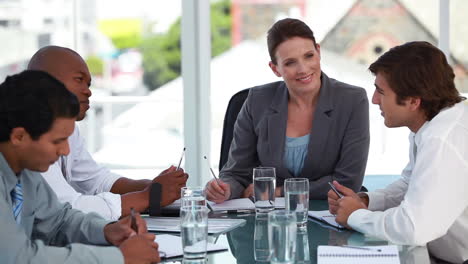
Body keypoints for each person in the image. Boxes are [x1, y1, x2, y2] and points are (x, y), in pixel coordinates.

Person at [328, 41, 468, 263]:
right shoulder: (432, 123)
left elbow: (413, 228)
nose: (374, 100)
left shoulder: (442, 139)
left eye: (381, 92)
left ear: (413, 101)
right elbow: (410, 184)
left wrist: (355, 216)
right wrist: (366, 201)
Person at [0, 70, 160, 263]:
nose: (66, 151)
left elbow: (57, 221)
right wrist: (118, 258)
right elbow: (16, 258)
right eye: (57, 141)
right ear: (19, 137)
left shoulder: (24, 172)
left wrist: (106, 230)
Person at [205, 18, 370, 203]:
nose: (303, 69)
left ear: (318, 51)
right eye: (290, 62)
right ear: (275, 68)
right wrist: (225, 188)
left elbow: (348, 182)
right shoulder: (257, 101)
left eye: (309, 56)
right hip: (267, 218)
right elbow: (236, 173)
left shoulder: (352, 100)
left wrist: (278, 192)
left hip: (327, 214)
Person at [27, 46, 188, 220]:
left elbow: (96, 181)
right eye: (79, 79)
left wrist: (155, 188)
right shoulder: (29, 136)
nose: (88, 91)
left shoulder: (68, 128)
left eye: (88, 84)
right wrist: (149, 196)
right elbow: (67, 208)